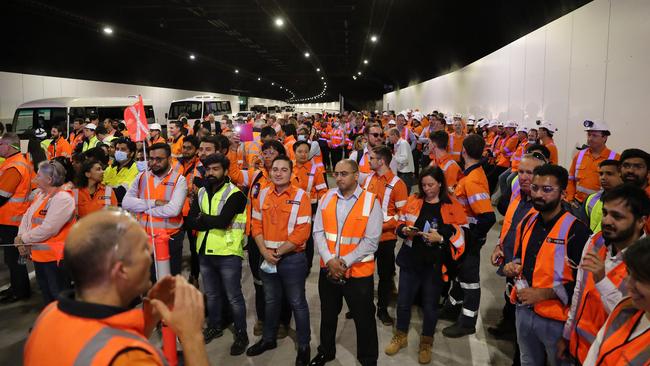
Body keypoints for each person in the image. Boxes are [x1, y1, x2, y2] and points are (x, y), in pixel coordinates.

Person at [23, 209, 209, 366]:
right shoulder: (129, 358)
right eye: (144, 248)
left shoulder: (48, 315)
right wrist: (192, 338)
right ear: (121, 270)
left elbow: (99, 339)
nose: (151, 253)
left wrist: (149, 318)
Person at [503, 164, 591, 366]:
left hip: (556, 320)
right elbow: (519, 256)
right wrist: (514, 266)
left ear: (563, 194)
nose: (539, 194)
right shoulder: (528, 221)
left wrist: (543, 294)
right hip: (524, 311)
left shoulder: (576, 232)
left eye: (547, 190)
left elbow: (584, 285)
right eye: (535, 188)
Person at [385, 166, 468, 364]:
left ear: (440, 183)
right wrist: (405, 230)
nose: (427, 188)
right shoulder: (414, 200)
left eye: (431, 184)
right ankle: (401, 336)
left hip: (435, 265)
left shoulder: (452, 204)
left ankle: (426, 342)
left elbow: (463, 231)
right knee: (404, 302)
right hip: (410, 261)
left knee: (430, 306)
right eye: (424, 185)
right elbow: (400, 222)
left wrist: (441, 237)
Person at [559, 185, 649, 364]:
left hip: (609, 355)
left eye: (617, 216)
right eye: (606, 213)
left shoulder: (644, 262)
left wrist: (601, 280)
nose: (607, 221)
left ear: (641, 221)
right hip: (580, 348)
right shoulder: (596, 240)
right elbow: (579, 290)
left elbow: (635, 316)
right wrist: (567, 333)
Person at [310, 159, 382, 366]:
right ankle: (326, 350)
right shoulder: (327, 197)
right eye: (337, 174)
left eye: (344, 174)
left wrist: (343, 262)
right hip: (329, 270)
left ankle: (368, 358)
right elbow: (319, 231)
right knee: (328, 314)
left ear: (356, 175)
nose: (339, 178)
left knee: (364, 318)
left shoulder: (370, 201)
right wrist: (329, 260)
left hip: (358, 274)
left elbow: (370, 241)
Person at [248, 156, 312, 365]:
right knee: (271, 301)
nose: (278, 173)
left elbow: (303, 232)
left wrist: (277, 252)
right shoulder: (263, 193)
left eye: (283, 170)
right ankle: (268, 339)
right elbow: (255, 225)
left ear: (291, 173)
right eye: (275, 169)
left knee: (297, 303)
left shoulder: (301, 196)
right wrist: (264, 252)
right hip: (267, 258)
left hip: (292, 259)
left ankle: (304, 345)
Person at [185, 153, 249, 354]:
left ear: (225, 171)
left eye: (216, 169)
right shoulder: (202, 192)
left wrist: (203, 218)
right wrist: (207, 219)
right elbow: (190, 221)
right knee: (211, 294)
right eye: (208, 169)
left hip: (228, 252)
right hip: (205, 251)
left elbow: (222, 223)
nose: (211, 173)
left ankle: (241, 334)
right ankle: (214, 326)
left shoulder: (235, 194)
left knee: (233, 297)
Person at [489, 153, 546, 352]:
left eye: (529, 172)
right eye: (520, 171)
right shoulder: (518, 195)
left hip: (527, 269)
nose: (522, 177)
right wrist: (499, 245)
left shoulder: (543, 206)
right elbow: (509, 225)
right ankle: (508, 325)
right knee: (509, 295)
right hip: (510, 262)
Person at [442, 134, 496, 337]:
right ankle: (452, 308)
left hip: (468, 240)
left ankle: (467, 322)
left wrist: (473, 240)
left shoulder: (472, 180)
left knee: (469, 281)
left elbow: (487, 217)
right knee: (460, 276)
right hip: (462, 238)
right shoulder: (471, 175)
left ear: (463, 151)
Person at [582, 237, 650, 365]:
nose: (628, 284)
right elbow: (596, 350)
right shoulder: (624, 306)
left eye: (639, 279)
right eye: (629, 273)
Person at [16, 160, 76, 305]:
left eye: (38, 176)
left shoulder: (63, 199)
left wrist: (23, 238)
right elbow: (27, 216)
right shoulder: (41, 195)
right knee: (48, 296)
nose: (35, 179)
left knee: (59, 299)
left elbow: (49, 228)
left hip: (55, 259)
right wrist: (20, 236)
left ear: (49, 180)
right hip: (40, 257)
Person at [122, 143, 187, 276]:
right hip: (144, 240)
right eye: (151, 159)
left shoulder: (179, 180)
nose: (154, 162)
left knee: (169, 282)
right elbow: (126, 202)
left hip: (169, 240)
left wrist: (143, 208)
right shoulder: (141, 177)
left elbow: (173, 210)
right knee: (148, 282)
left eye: (159, 159)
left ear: (169, 159)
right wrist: (155, 202)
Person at [362, 145, 408, 326]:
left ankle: (382, 309)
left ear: (381, 161)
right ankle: (364, 307)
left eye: (372, 158)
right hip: (366, 237)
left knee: (385, 276)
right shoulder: (369, 179)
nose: (369, 161)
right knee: (363, 274)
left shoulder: (398, 184)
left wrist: (381, 226)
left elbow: (403, 215)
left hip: (386, 239)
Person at [0, 133, 33, 303]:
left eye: (0, 144)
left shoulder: (14, 166)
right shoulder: (19, 162)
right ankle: (17, 287)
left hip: (11, 220)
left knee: (14, 259)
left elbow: (2, 195)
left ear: (9, 146)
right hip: (14, 218)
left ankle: (20, 290)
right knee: (13, 258)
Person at [292, 140, 328, 272]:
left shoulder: (315, 171)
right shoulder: (288, 168)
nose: (303, 154)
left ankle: (307, 266)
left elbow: (323, 192)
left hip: (308, 212)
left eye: (306, 152)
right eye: (300, 151)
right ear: (294, 153)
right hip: (289, 210)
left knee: (307, 239)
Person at [567, 120, 619, 205]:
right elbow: (571, 179)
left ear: (605, 137)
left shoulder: (615, 158)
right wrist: (570, 198)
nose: (590, 138)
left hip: (599, 206)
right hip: (576, 203)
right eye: (589, 135)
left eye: (594, 135)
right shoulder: (580, 155)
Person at [581, 160, 624, 232]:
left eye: (609, 174)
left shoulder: (628, 202)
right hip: (591, 242)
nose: (603, 177)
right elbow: (583, 228)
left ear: (621, 175)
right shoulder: (590, 199)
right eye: (601, 174)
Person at [103, 138, 139, 204]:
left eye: (123, 149)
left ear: (131, 153)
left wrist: (103, 196)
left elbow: (122, 192)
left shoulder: (136, 168)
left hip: (122, 206)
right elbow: (99, 186)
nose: (119, 152)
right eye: (117, 149)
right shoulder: (111, 167)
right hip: (106, 204)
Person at [388, 127, 415, 194]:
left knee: (404, 195)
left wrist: (393, 158)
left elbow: (404, 159)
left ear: (394, 135)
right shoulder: (396, 144)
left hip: (406, 175)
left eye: (389, 136)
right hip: (401, 173)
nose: (388, 138)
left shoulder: (403, 143)